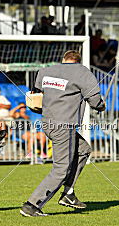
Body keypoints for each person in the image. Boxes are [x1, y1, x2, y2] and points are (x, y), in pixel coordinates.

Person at [20, 50, 106, 217]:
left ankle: (68, 193)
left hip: (48, 123)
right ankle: (31, 205)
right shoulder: (82, 72)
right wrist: (102, 105)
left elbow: (35, 94)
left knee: (83, 150)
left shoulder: (45, 71)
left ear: (63, 60)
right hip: (64, 126)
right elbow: (95, 101)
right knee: (61, 169)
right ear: (78, 61)